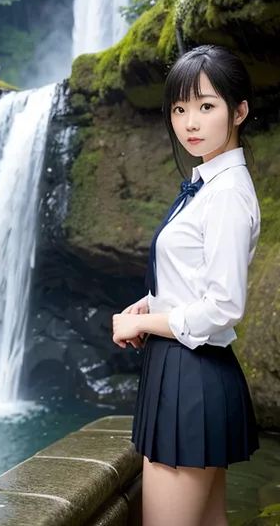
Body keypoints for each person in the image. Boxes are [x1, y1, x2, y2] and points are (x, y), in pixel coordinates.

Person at [112, 44, 261, 526]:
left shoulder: (226, 195)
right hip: (184, 370)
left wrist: (145, 323)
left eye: (206, 106)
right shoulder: (207, 186)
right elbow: (193, 280)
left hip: (190, 375)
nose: (190, 122)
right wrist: (147, 307)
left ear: (239, 111)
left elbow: (222, 307)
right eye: (179, 108)